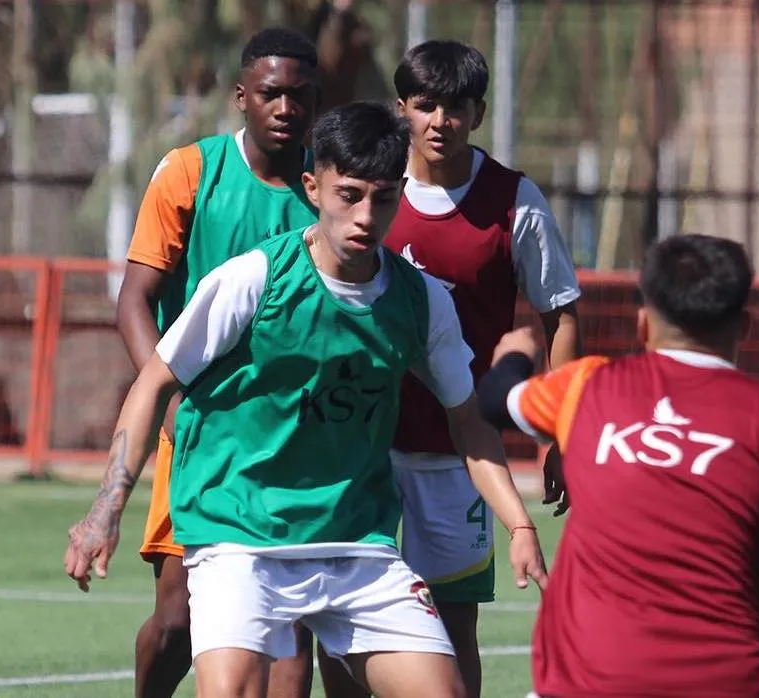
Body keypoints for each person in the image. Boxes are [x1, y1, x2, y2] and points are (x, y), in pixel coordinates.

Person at [65, 100, 548, 698]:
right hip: (240, 537)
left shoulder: (419, 300)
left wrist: (519, 523)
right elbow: (153, 382)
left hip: (356, 545)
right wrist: (105, 511)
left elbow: (468, 422)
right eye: (349, 195)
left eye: (382, 197)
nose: (366, 216)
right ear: (313, 187)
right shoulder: (254, 280)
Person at [476, 233, 759, 697]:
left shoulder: (588, 387)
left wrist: (516, 353)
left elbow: (495, 401)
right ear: (744, 326)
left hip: (587, 686)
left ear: (643, 324)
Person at [317, 39, 582, 698]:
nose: (440, 121)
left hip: (457, 455)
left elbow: (562, 315)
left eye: (456, 107)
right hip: (364, 449)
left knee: (449, 628)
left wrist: (560, 432)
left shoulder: (514, 201)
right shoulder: (368, 193)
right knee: (341, 628)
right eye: (425, 105)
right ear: (401, 108)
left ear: (479, 113)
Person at [112, 27, 320, 698]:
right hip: (199, 425)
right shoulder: (191, 172)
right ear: (242, 97)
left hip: (294, 435)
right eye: (271, 93)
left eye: (300, 95)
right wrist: (169, 400)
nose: (285, 107)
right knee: (177, 621)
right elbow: (134, 301)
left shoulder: (333, 189)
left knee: (288, 637)